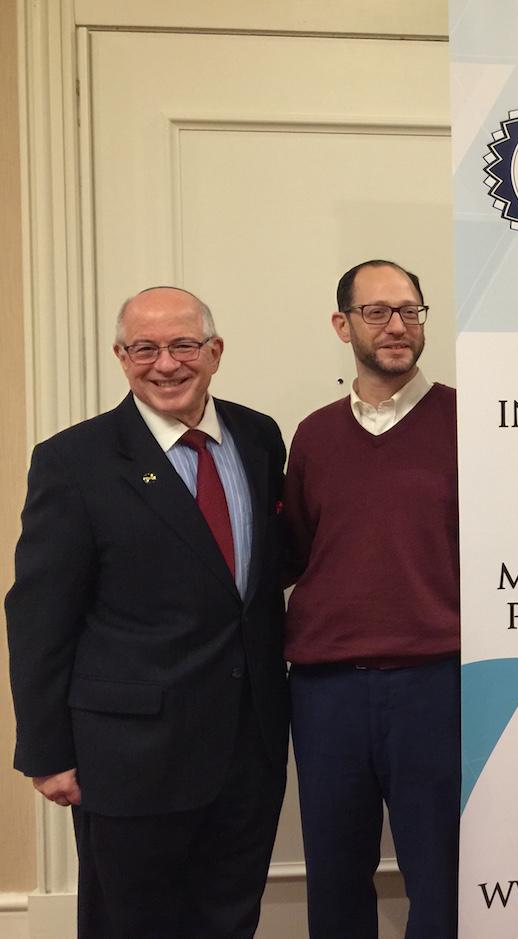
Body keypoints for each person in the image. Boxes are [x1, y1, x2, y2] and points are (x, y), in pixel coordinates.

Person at [5, 287, 289, 938]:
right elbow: (39, 612)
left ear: (214, 352)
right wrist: (46, 750)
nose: (166, 364)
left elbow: (261, 577)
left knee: (229, 917)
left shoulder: (258, 437)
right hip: (129, 756)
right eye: (144, 348)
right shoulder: (74, 461)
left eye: (184, 344)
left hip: (250, 746)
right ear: (120, 355)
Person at [283, 259, 459, 938]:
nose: (396, 326)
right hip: (328, 691)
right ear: (342, 324)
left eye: (410, 311)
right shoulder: (315, 434)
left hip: (437, 683)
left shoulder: (469, 422)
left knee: (440, 873)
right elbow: (295, 552)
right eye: (378, 311)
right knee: (334, 877)